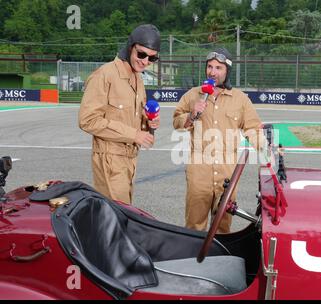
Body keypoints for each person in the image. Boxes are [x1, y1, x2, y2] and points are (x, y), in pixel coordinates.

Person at [173, 48, 267, 233]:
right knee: (194, 226)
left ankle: (219, 261)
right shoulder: (193, 95)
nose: (212, 72)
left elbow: (252, 128)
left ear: (227, 71)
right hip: (198, 172)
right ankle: (192, 259)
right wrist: (191, 115)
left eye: (218, 68)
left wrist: (268, 150)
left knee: (223, 227)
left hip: (227, 174)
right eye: (209, 67)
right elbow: (177, 121)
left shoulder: (240, 99)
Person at [79, 24, 161, 204]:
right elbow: (87, 120)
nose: (145, 61)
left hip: (129, 158)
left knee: (123, 218)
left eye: (152, 58)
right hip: (110, 159)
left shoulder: (137, 77)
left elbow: (132, 118)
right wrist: (134, 134)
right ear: (130, 47)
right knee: (116, 219)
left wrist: (149, 124)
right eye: (141, 54)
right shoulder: (105, 75)